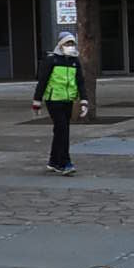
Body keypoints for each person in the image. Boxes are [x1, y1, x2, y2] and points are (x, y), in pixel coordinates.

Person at [32, 34, 81, 174]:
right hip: (53, 100)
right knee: (63, 130)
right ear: (60, 44)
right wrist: (37, 100)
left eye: (72, 43)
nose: (70, 46)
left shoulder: (74, 61)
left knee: (60, 130)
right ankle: (65, 162)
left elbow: (80, 81)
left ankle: (54, 161)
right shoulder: (51, 60)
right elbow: (43, 81)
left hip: (68, 100)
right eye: (67, 43)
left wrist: (84, 99)